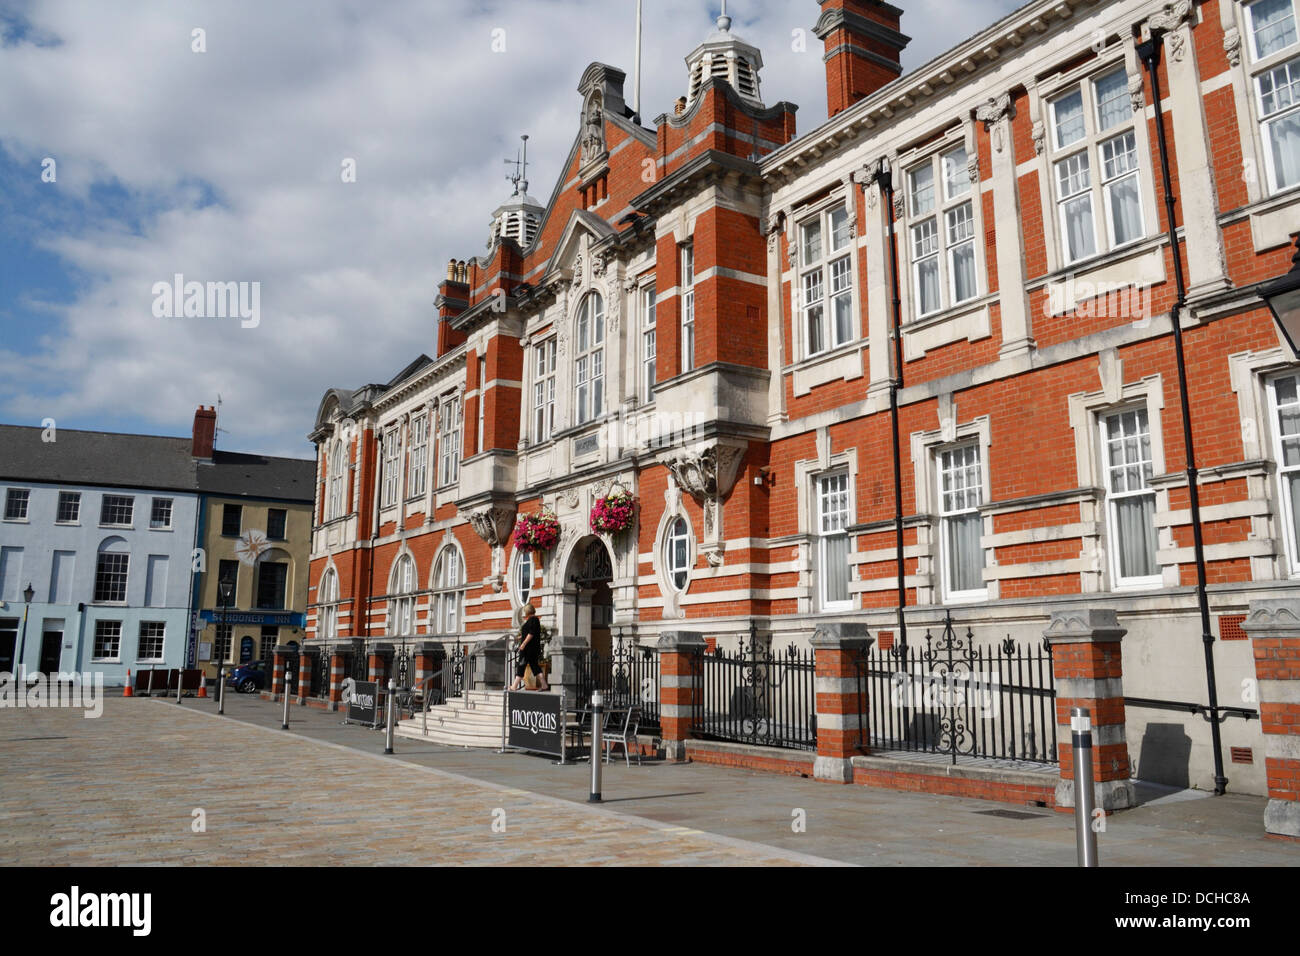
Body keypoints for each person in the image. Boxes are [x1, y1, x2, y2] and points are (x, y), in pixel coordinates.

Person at [508, 603, 549, 691]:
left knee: (521, 666)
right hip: (532, 649)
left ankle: (514, 686)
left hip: (528, 649)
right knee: (535, 666)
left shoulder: (533, 620)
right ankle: (544, 685)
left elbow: (531, 634)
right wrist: (520, 637)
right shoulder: (533, 620)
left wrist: (523, 644)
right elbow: (528, 633)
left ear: (527, 611)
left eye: (525, 611)